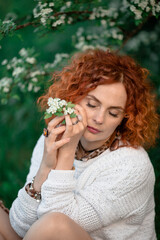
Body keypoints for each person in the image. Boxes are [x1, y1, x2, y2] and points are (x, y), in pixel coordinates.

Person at [0, 49, 159, 240]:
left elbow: (55, 228)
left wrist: (66, 153)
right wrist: (45, 167)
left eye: (113, 113)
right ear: (74, 98)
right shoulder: (51, 139)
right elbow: (21, 225)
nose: (99, 119)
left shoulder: (132, 166)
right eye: (92, 104)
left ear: (124, 119)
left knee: (53, 224)